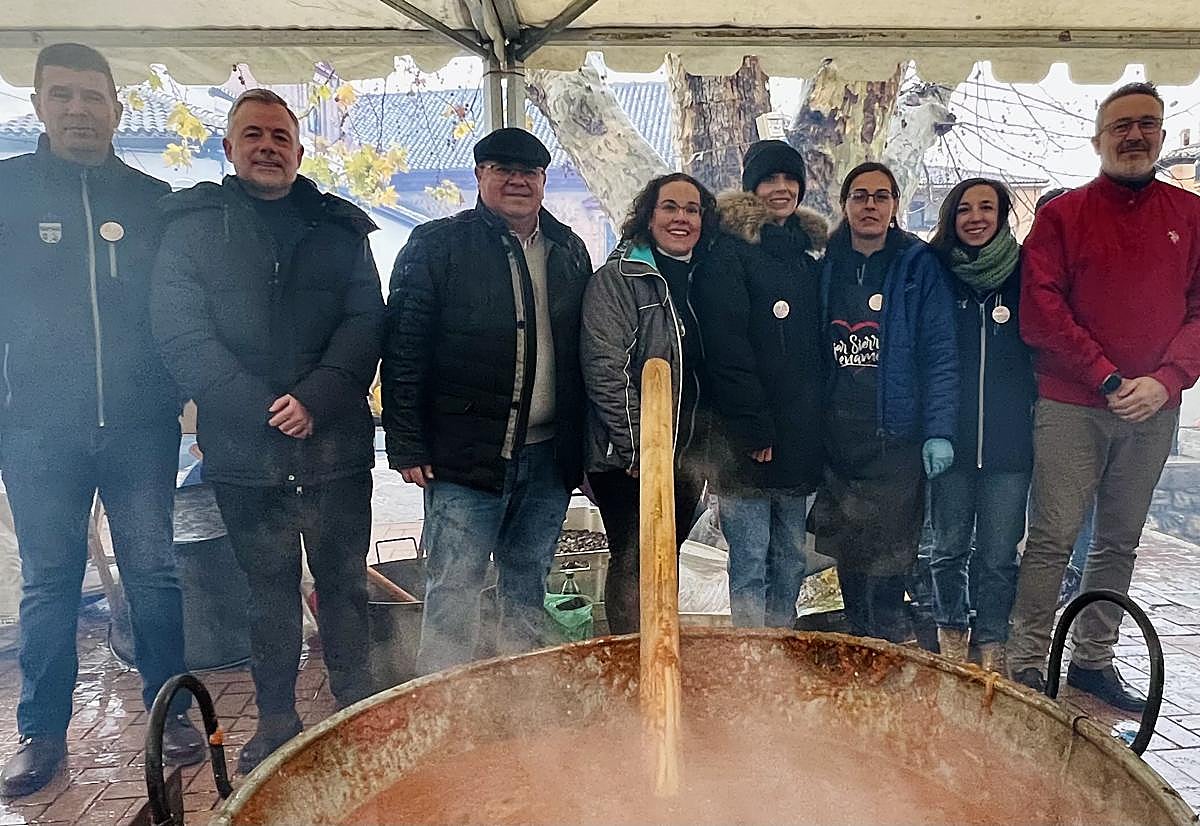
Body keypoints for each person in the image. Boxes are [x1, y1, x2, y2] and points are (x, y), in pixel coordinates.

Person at [152, 89, 383, 772]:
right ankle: (277, 718)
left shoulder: (341, 230)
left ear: (299, 151)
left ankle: (355, 704)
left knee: (343, 585)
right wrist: (260, 405)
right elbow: (179, 333)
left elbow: (366, 321)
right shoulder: (192, 227)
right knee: (267, 595)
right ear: (228, 147)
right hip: (245, 453)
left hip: (335, 448)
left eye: (280, 136)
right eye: (253, 134)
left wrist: (315, 396)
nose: (267, 147)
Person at [0, 43, 204, 797]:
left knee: (154, 572)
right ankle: (40, 732)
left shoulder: (154, 199)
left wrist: (185, 398)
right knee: (49, 582)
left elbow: (178, 309)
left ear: (117, 109)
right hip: (35, 430)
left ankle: (170, 713)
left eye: (93, 97)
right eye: (63, 97)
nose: (79, 110)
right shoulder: (8, 192)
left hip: (139, 426)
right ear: (40, 108)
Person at [1009, 81, 1200, 710]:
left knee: (1119, 541)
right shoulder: (1062, 215)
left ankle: (1093, 658)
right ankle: (1027, 661)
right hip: (1072, 404)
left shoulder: (1190, 216)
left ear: (1162, 137)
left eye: (1146, 124)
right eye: (1121, 126)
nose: (1134, 135)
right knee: (1053, 537)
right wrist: (1107, 377)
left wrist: (1167, 381)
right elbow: (1040, 307)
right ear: (1098, 139)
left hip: (1153, 409)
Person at [383, 128, 591, 673]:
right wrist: (405, 442)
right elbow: (403, 346)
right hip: (465, 454)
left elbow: (583, 355)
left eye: (530, 172)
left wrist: (585, 448)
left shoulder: (569, 249)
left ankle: (521, 699)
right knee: (454, 588)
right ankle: (442, 705)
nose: (517, 180)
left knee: (528, 582)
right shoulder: (436, 245)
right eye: (502, 169)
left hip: (549, 458)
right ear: (479, 177)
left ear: (544, 182)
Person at [810, 161, 959, 643]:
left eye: (880, 196)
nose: (869, 205)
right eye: (859, 195)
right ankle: (859, 642)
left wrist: (939, 430)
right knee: (848, 553)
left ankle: (887, 648)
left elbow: (940, 353)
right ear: (845, 204)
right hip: (837, 439)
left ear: (895, 204)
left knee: (892, 556)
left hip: (896, 438)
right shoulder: (826, 264)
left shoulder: (917, 266)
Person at [693, 141, 826, 628]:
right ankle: (750, 655)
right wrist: (753, 428)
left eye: (789, 180)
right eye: (770, 179)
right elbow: (727, 350)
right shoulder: (727, 254)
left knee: (791, 560)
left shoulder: (809, 262)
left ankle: (782, 651)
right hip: (745, 445)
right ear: (752, 186)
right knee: (750, 563)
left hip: (801, 441)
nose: (781, 189)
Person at [582, 173, 717, 634]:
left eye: (692, 209)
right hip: (628, 458)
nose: (682, 218)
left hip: (685, 454)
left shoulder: (704, 277)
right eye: (670, 207)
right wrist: (642, 448)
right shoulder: (620, 279)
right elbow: (607, 370)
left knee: (667, 556)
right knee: (636, 559)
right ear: (648, 215)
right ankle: (632, 660)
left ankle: (661, 652)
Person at [926, 178, 1036, 672]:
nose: (975, 217)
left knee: (997, 556)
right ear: (952, 216)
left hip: (1009, 445)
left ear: (1002, 214)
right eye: (965, 208)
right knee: (948, 547)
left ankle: (992, 643)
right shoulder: (936, 275)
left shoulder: (1026, 274)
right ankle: (951, 634)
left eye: (986, 207)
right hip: (949, 440)